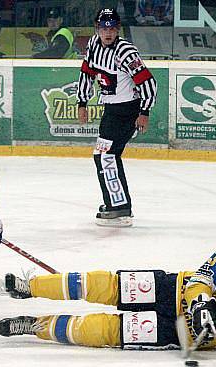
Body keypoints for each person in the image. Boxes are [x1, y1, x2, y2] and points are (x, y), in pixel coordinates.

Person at [0, 228, 216, 367]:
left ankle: (36, 326)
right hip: (173, 288)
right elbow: (204, 277)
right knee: (105, 284)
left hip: (180, 333)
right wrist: (201, 302)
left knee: (108, 331)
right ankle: (32, 287)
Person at [77, 8, 157, 227]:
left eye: (112, 28)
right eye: (104, 28)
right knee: (102, 155)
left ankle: (119, 208)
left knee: (106, 156)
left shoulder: (126, 52)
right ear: (97, 29)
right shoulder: (93, 45)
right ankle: (116, 203)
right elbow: (87, 72)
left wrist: (144, 112)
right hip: (111, 111)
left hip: (127, 111)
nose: (108, 33)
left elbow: (148, 83)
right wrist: (82, 102)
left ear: (118, 29)